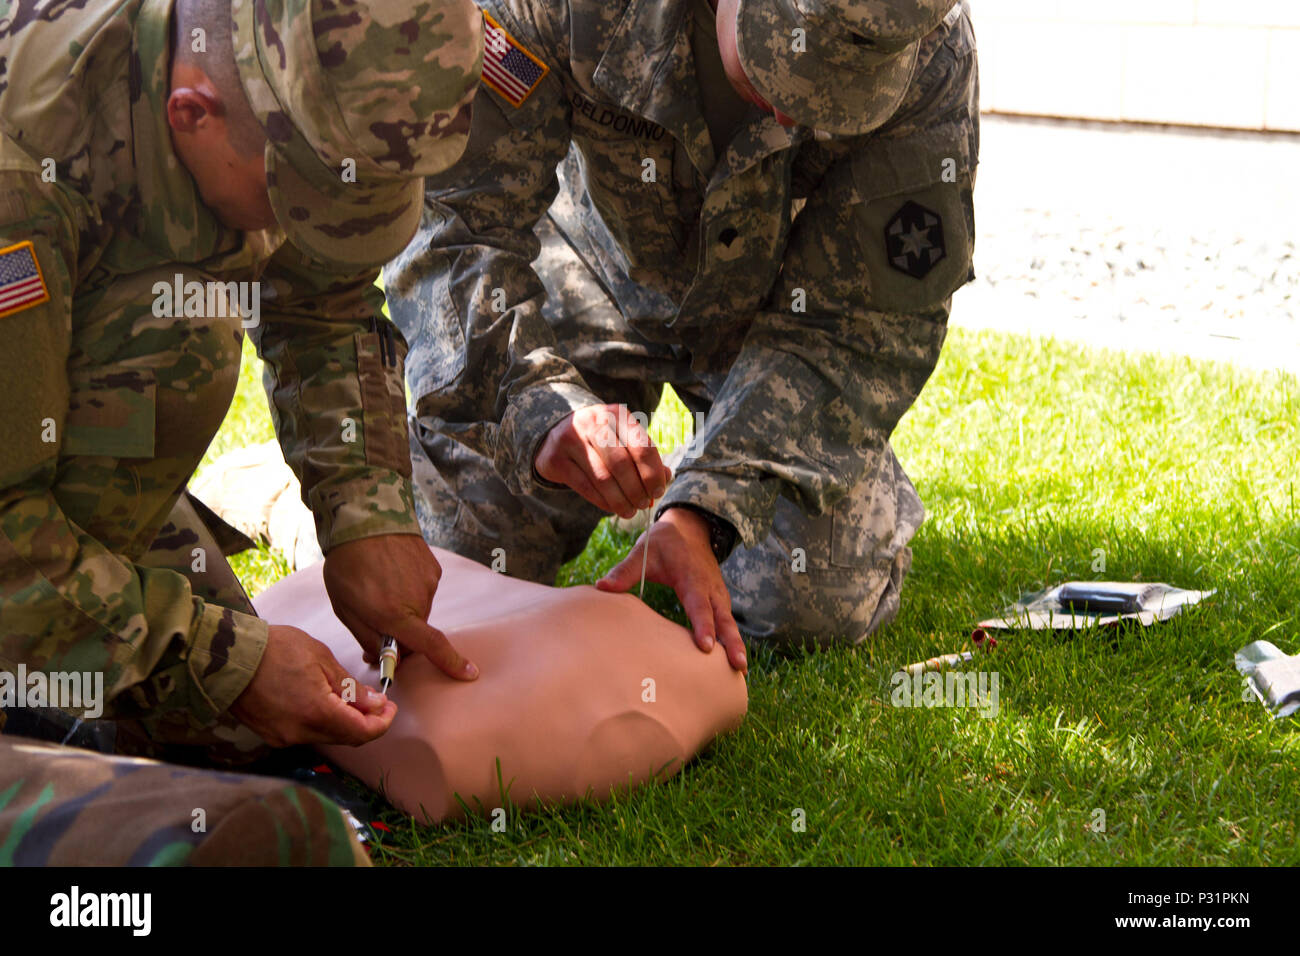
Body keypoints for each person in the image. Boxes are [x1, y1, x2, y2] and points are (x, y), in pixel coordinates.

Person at [0, 0, 481, 864]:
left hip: (50, 481)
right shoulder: (19, 173)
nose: (302, 221)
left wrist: (366, 511)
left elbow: (323, 297)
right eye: (289, 197)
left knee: (247, 738)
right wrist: (229, 656)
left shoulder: (291, 93)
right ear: (193, 113)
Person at [387, 0, 979, 673]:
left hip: (771, 326)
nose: (792, 115)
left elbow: (861, 323)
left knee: (814, 600)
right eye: (776, 69)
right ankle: (284, 495)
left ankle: (701, 501)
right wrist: (536, 401)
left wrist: (708, 508)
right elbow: (454, 226)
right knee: (459, 559)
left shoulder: (932, 53)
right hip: (585, 278)